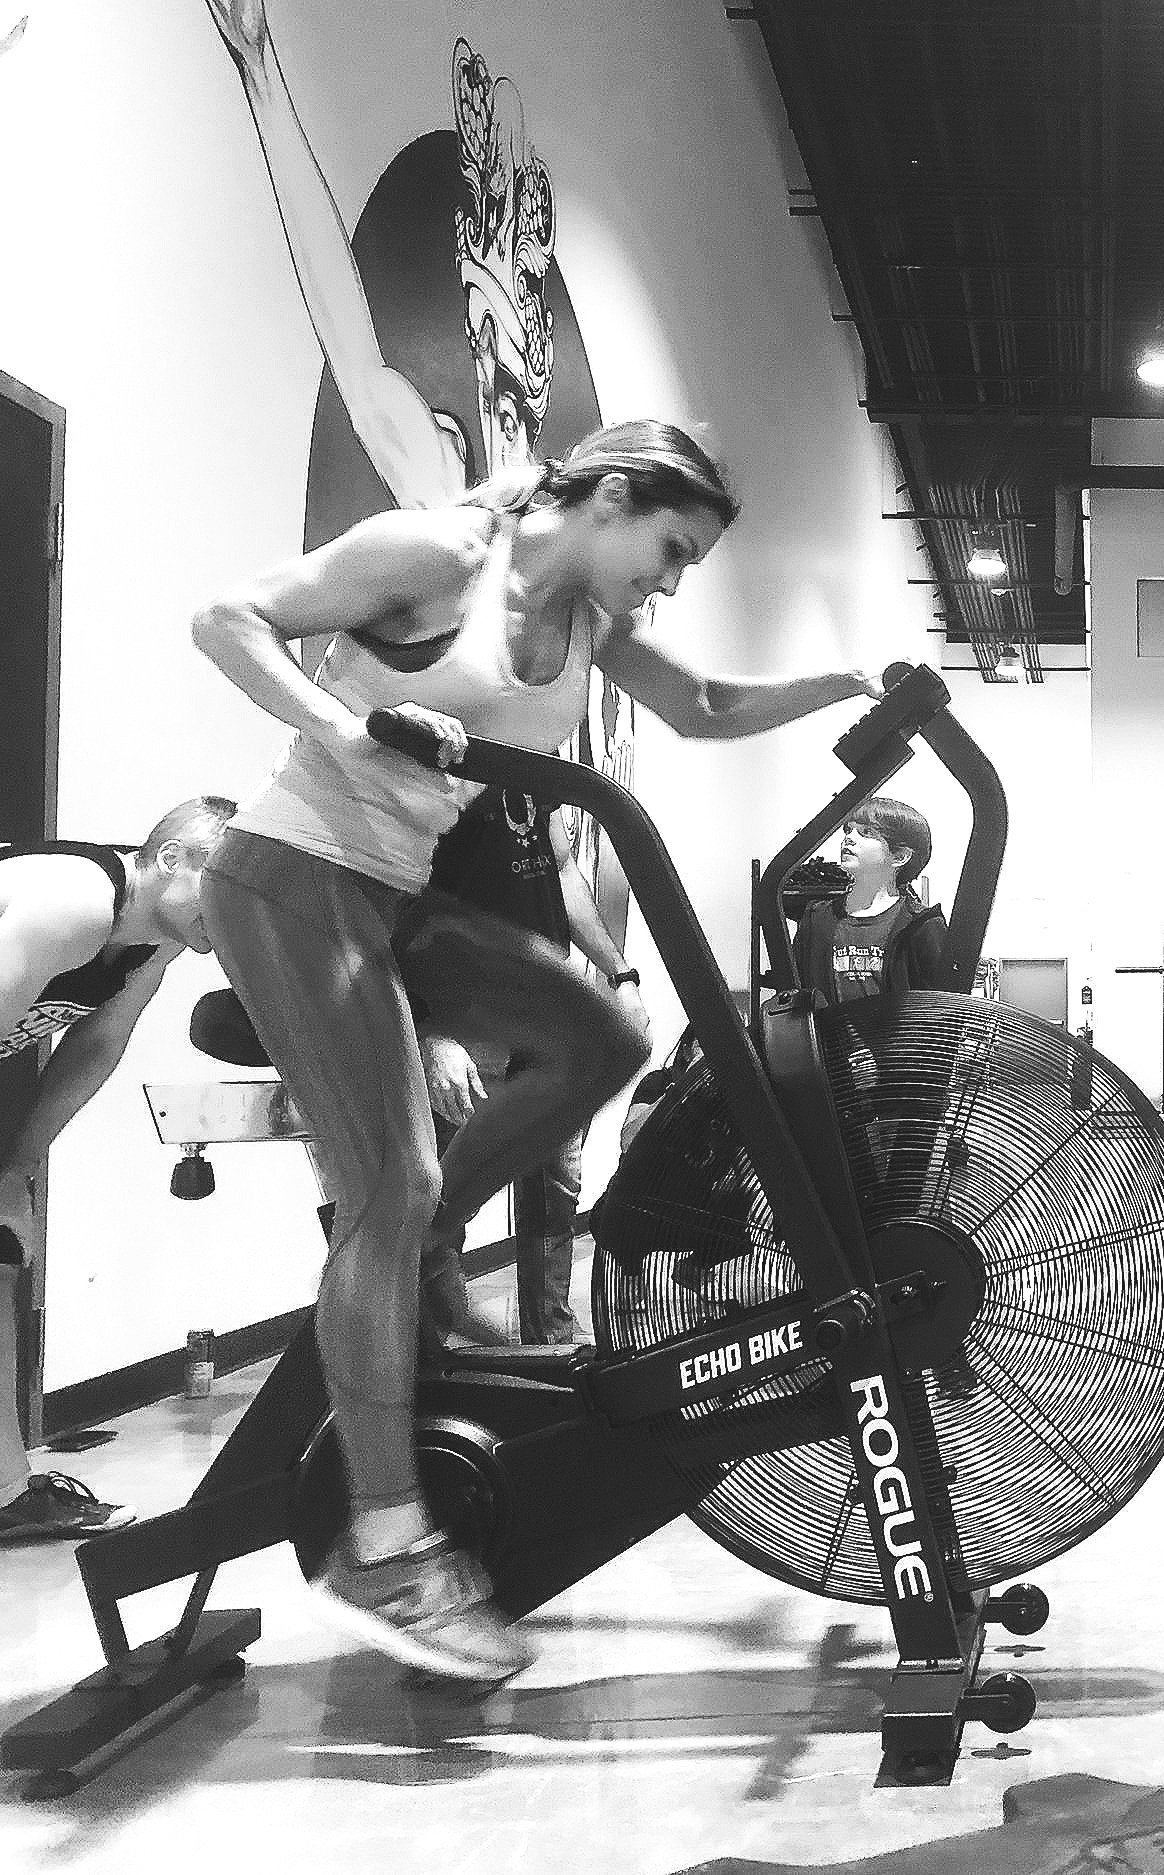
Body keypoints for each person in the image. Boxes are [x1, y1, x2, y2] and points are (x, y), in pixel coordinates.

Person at [193, 419, 882, 1681]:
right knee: (391, 1186)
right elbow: (229, 617)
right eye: (670, 550)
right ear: (610, 496)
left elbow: (706, 706)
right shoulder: (437, 554)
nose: (670, 582)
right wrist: (344, 728)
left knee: (599, 1037)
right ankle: (385, 1549)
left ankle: (407, 1247)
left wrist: (847, 683)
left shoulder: (589, 626)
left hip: (397, 896)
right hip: (292, 875)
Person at [0, 799, 235, 1540]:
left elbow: (98, 1044)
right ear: (172, 860)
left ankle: (5, 1493)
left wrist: (17, 1167)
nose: (232, 918)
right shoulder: (73, 905)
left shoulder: (151, 946)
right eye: (224, 889)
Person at [419, 788, 647, 1350]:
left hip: (544, 1019)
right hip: (468, 1020)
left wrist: (619, 975)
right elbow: (402, 902)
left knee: (555, 1193)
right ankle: (431, 1352)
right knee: (441, 1194)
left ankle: (550, 1344)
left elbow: (563, 872)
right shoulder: (443, 774)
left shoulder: (532, 779)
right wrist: (434, 1034)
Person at [792, 797, 949, 1006]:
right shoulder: (816, 919)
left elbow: (940, 1008)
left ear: (900, 856)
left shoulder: (922, 926)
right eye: (848, 829)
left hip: (897, 1029)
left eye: (866, 832)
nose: (849, 838)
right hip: (830, 1029)